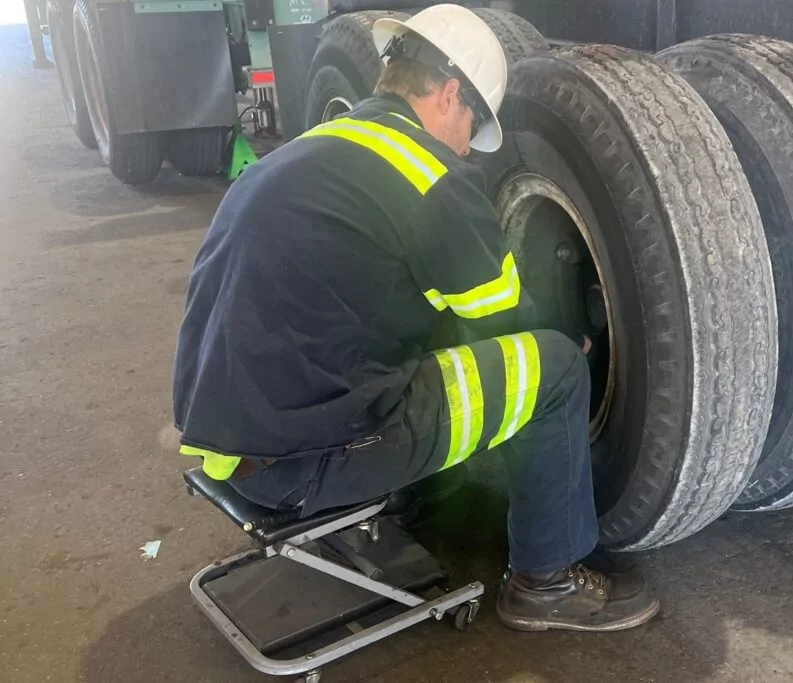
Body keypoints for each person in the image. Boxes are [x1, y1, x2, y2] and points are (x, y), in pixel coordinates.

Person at [172, 3, 658, 632]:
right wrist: (573, 338)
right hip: (304, 466)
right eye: (472, 128)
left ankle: (414, 494)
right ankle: (547, 580)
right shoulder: (428, 176)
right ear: (451, 94)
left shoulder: (310, 150)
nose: (469, 150)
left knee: (417, 327)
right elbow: (504, 317)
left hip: (231, 448)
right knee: (555, 369)